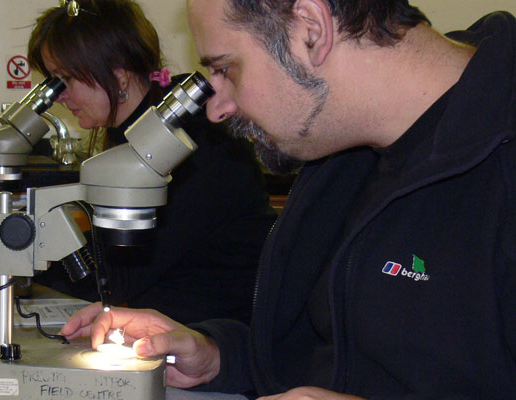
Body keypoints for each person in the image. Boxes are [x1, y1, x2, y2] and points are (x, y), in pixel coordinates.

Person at [60, 0, 516, 398]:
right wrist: (218, 354)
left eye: (225, 69)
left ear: (311, 29)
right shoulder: (339, 155)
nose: (216, 109)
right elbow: (326, 358)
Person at [0, 0, 276, 325]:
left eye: (66, 79)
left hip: (215, 347)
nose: (59, 97)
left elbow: (109, 280)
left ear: (119, 75)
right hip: (170, 329)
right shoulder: (138, 133)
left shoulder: (187, 139)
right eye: (53, 81)